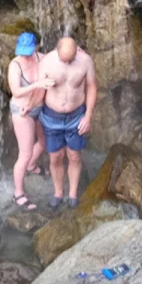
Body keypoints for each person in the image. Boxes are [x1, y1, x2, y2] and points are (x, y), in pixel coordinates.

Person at [37, 36, 97, 209]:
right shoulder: (47, 62)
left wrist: (88, 116)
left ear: (77, 50)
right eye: (65, 60)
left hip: (76, 116)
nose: (68, 63)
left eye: (71, 60)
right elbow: (39, 90)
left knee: (74, 156)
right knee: (55, 157)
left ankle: (72, 194)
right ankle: (58, 193)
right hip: (51, 117)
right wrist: (28, 109)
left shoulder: (85, 60)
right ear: (57, 50)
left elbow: (92, 86)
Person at [8, 32, 55, 211]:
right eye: (22, 51)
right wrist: (37, 85)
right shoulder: (15, 65)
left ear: (36, 47)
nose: (25, 55)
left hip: (38, 107)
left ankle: (32, 166)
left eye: (28, 51)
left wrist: (79, 51)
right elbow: (17, 91)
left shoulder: (42, 58)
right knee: (24, 153)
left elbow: (60, 55)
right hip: (22, 112)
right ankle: (18, 194)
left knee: (43, 142)